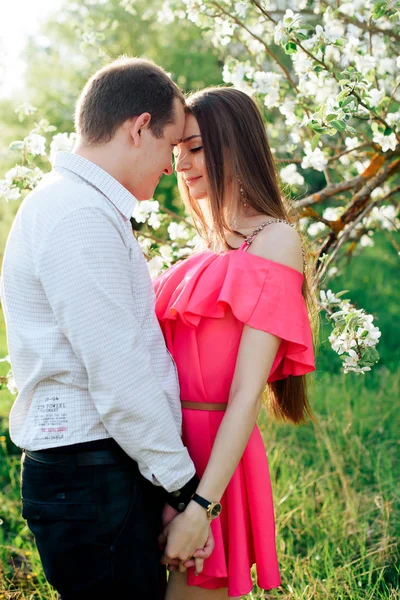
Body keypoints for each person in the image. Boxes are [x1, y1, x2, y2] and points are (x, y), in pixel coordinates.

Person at [0, 57, 214, 600]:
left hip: (98, 472)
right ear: (138, 128)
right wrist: (188, 490)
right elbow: (119, 376)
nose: (172, 169)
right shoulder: (77, 216)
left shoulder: (74, 206)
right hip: (91, 477)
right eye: (170, 148)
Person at [153, 87, 317, 599]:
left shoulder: (274, 239)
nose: (182, 164)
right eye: (178, 151)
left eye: (196, 148)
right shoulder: (203, 245)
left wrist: (202, 506)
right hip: (161, 451)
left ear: (236, 144)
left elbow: (247, 392)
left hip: (213, 457)